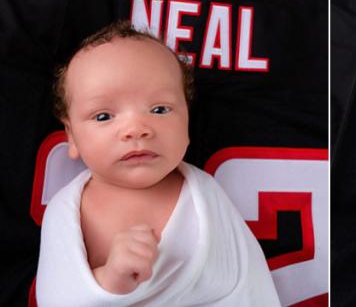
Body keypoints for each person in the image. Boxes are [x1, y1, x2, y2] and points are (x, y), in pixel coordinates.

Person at [35, 22, 281, 307]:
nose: (137, 129)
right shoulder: (66, 211)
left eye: (160, 109)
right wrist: (108, 280)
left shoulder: (208, 196)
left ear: (187, 120)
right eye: (103, 116)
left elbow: (248, 283)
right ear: (71, 137)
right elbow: (57, 296)